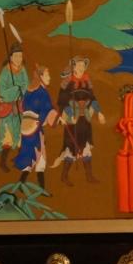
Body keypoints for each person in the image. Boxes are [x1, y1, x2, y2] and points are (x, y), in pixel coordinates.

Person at [53, 55, 106, 185]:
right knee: (71, 148)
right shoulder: (67, 82)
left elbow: (93, 98)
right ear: (74, 67)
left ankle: (89, 176)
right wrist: (71, 115)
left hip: (85, 120)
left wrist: (99, 112)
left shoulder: (87, 81)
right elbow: (62, 101)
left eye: (83, 65)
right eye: (79, 65)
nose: (82, 67)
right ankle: (64, 176)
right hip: (72, 121)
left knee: (86, 147)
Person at [13, 65, 57, 192]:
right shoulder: (43, 93)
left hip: (26, 129)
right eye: (47, 75)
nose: (49, 77)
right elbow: (46, 111)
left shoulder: (28, 91)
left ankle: (21, 184)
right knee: (40, 158)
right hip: (35, 130)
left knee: (30, 157)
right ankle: (41, 189)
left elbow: (23, 107)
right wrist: (56, 116)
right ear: (41, 77)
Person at [0, 44, 29, 172]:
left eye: (20, 56)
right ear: (11, 57)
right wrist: (15, 90)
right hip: (8, 110)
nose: (19, 59)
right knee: (8, 137)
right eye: (16, 56)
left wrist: (20, 90)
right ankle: (2, 163)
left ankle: (20, 161)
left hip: (19, 107)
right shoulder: (5, 72)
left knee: (21, 135)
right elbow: (1, 91)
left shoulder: (23, 70)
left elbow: (26, 85)